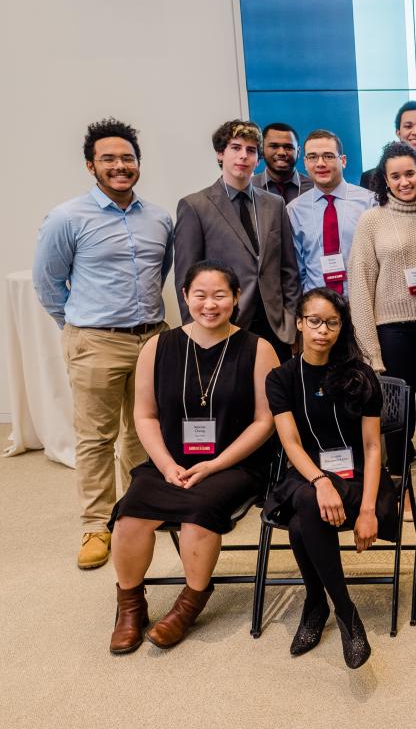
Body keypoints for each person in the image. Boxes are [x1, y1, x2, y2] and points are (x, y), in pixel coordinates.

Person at [107, 261, 277, 654]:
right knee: (130, 514)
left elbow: (263, 421)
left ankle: (189, 603)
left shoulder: (257, 348)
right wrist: (167, 465)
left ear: (236, 298)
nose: (209, 304)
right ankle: (130, 605)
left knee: (199, 512)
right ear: (185, 297)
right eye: (199, 295)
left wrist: (215, 464)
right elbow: (144, 415)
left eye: (220, 295)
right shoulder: (158, 346)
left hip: (234, 464)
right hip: (169, 461)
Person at [34, 118, 174, 570]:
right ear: (90, 165)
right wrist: (79, 328)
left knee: (144, 429)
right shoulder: (66, 218)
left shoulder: (159, 218)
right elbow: (49, 283)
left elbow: (162, 273)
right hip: (96, 341)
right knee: (96, 436)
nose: (120, 166)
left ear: (138, 164)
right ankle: (97, 524)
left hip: (152, 338)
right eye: (109, 159)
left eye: (127, 158)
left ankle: (139, 505)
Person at [263, 287, 395, 669]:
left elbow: (373, 449)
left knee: (304, 515)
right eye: (315, 321)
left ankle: (316, 603)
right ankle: (345, 612)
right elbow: (290, 443)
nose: (323, 330)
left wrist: (368, 509)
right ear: (300, 324)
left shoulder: (360, 374)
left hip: (359, 481)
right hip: (308, 474)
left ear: (342, 327)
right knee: (307, 500)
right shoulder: (281, 379)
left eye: (332, 322)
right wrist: (321, 481)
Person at [348, 141, 416, 468]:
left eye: (410, 173)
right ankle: (400, 480)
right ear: (384, 180)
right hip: (391, 331)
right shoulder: (371, 220)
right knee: (397, 413)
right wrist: (369, 350)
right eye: (395, 176)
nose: (404, 182)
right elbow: (360, 283)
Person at [175, 119, 301, 365]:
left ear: (258, 158)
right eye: (235, 148)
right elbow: (186, 278)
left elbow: (289, 270)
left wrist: (290, 322)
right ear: (220, 154)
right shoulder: (195, 206)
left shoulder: (274, 205)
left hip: (274, 327)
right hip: (223, 323)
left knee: (275, 399)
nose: (243, 156)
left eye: (251, 150)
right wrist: (195, 333)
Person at [287, 129, 374, 296]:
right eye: (313, 157)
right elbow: (297, 271)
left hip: (362, 303)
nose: (320, 163)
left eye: (328, 156)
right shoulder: (294, 210)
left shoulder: (369, 202)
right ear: (305, 162)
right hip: (316, 310)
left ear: (343, 161)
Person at [251, 122, 312, 204]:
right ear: (262, 150)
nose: (281, 153)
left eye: (288, 147)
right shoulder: (249, 187)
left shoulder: (313, 187)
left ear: (298, 152)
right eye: (274, 146)